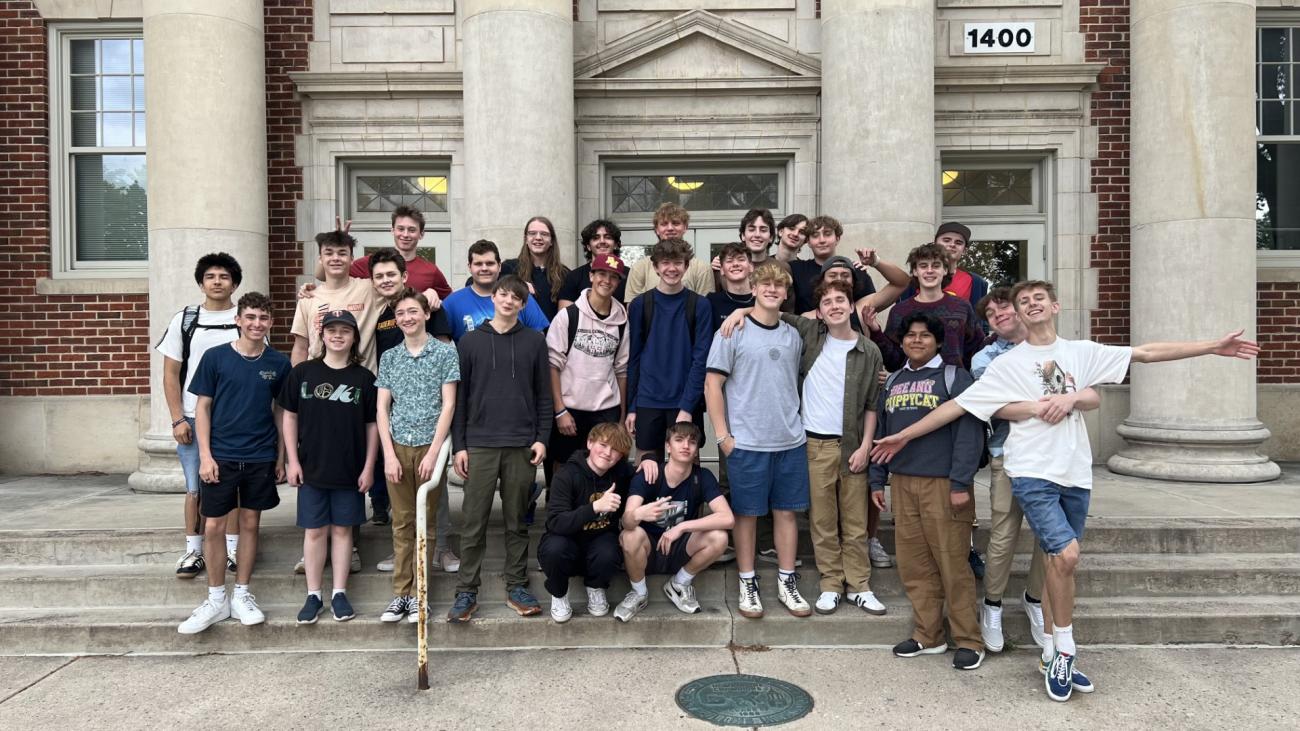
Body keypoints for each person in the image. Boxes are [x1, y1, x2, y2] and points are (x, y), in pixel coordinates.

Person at [871, 280, 1262, 700]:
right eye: (1024, 301)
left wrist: (1211, 347)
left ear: (1055, 306)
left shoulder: (1081, 353)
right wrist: (904, 435)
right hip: (1030, 471)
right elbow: (955, 407)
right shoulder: (1006, 364)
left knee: (1061, 564)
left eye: (1038, 298)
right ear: (1018, 314)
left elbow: (1146, 353)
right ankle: (1065, 651)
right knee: (1066, 554)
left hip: (1075, 473)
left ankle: (1052, 649)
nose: (1031, 304)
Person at [970, 286, 1095, 652]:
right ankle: (992, 604)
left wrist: (1068, 398)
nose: (999, 315)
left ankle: (1035, 598)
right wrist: (1046, 404)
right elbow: (998, 405)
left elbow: (1076, 396)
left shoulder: (1054, 354)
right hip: (1008, 455)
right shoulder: (985, 359)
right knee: (1004, 532)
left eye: (1003, 308)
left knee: (1053, 540)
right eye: (991, 314)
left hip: (1056, 458)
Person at [868, 311, 985, 670]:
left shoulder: (954, 378)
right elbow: (883, 432)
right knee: (915, 564)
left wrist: (961, 482)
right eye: (910, 335)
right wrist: (877, 479)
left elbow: (969, 433)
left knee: (952, 562)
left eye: (924, 335)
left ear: (938, 342)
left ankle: (969, 639)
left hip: (944, 484)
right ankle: (928, 635)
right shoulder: (894, 381)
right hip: (903, 482)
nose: (916, 340)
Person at [177, 292, 291, 634]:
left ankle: (241, 594)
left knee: (250, 524)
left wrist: (281, 456)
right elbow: (202, 408)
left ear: (271, 323)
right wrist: (206, 456)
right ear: (238, 320)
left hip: (260, 455)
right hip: (221, 455)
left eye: (263, 318)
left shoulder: (279, 363)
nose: (257, 323)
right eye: (250, 317)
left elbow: (280, 412)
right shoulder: (216, 357)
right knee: (213, 526)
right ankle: (216, 599)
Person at [705, 261, 811, 619]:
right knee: (746, 516)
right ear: (753, 287)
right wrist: (722, 436)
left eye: (779, 285)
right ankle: (747, 582)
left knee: (787, 514)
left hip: (789, 441)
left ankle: (787, 581)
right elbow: (712, 385)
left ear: (786, 292)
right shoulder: (731, 331)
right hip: (746, 443)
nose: (772, 289)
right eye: (765, 283)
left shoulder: (794, 334)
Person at [449, 275, 553, 622]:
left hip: (521, 444)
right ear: (493, 297)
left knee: (516, 522)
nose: (509, 301)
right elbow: (460, 398)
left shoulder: (534, 342)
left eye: (516, 298)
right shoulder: (469, 342)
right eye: (504, 294)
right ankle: (466, 590)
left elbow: (543, 395)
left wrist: (542, 438)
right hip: (480, 444)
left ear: (523, 305)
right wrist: (459, 445)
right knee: (473, 522)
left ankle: (517, 586)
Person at [280, 310, 377, 624]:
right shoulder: (303, 373)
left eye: (344, 331)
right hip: (311, 468)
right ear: (321, 336)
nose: (337, 336)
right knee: (315, 531)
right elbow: (289, 416)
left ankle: (338, 592)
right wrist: (292, 461)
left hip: (350, 469)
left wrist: (369, 467)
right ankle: (313, 595)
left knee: (343, 530)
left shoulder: (364, 379)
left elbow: (372, 426)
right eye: (331, 330)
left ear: (354, 338)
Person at [368, 249, 459, 575]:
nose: (385, 280)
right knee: (402, 497)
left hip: (430, 417)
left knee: (435, 491)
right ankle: (404, 556)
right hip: (398, 414)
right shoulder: (380, 313)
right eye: (379, 276)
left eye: (391, 274)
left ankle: (442, 548)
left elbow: (444, 363)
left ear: (404, 275)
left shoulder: (429, 306)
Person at [157, 253, 243, 580]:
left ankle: (232, 549)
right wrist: (177, 418)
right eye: (210, 276)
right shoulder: (186, 319)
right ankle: (194, 549)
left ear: (234, 283)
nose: (217, 282)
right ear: (201, 283)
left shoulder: (245, 318)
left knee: (232, 485)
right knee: (195, 487)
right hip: (193, 416)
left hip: (234, 419)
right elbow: (170, 373)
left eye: (224, 276)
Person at [614, 422, 733, 621]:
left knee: (719, 537)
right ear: (668, 446)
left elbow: (727, 518)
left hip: (681, 548)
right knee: (630, 535)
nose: (686, 446)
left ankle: (680, 583)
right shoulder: (649, 475)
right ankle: (639, 593)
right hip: (648, 550)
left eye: (692, 442)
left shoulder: (702, 477)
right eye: (679, 440)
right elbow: (627, 522)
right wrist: (638, 514)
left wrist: (682, 527)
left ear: (696, 450)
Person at [625, 238, 714, 465]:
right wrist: (632, 407)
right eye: (665, 262)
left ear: (686, 266)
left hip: (684, 400)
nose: (671, 268)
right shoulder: (640, 305)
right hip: (647, 400)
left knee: (688, 468)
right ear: (655, 267)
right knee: (645, 470)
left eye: (677, 262)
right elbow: (633, 359)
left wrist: (687, 407)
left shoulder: (700, 305)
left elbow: (701, 360)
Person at [537, 423, 637, 623]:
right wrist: (595, 507)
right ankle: (559, 593)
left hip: (598, 542)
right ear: (590, 443)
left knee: (610, 550)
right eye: (603, 445)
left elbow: (645, 476)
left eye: (615, 449)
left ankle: (595, 587)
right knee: (554, 549)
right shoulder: (566, 475)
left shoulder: (621, 473)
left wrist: (650, 459)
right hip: (566, 542)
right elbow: (556, 522)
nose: (608, 453)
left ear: (621, 456)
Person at [546, 253, 630, 479]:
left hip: (606, 408)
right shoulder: (568, 316)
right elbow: (552, 365)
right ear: (591, 276)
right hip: (571, 407)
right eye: (602, 274)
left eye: (613, 277)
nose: (607, 280)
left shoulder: (622, 322)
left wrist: (621, 416)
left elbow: (621, 370)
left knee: (605, 467)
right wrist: (560, 410)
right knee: (564, 466)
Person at [866, 242, 984, 371]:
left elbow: (977, 349)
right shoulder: (899, 311)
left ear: (945, 270)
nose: (929, 271)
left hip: (954, 381)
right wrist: (876, 331)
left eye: (936, 266)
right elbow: (893, 362)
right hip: (912, 382)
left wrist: (965, 377)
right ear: (915, 271)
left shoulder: (962, 307)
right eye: (923, 266)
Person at [326, 206, 453, 303]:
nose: (405, 234)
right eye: (400, 229)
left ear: (421, 234)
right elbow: (325, 276)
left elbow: (453, 303)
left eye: (412, 230)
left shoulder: (431, 271)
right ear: (392, 230)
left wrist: (433, 294)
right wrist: (336, 245)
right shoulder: (372, 262)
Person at [443, 239, 550, 342]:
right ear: (469, 267)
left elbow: (539, 339)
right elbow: (441, 344)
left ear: (499, 266)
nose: (484, 268)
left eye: (490, 263)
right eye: (478, 264)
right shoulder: (452, 303)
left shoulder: (520, 296)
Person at [789, 216, 882, 314]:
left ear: (837, 239)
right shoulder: (795, 269)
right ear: (808, 242)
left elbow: (871, 307)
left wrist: (875, 262)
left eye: (827, 234)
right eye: (815, 235)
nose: (822, 240)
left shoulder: (856, 271)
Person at [624, 203, 715, 298]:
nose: (670, 228)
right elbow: (633, 306)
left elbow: (704, 305)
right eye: (664, 224)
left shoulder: (702, 269)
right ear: (657, 229)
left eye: (676, 223)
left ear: (685, 227)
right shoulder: (639, 268)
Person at [899, 222, 990, 313]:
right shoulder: (914, 280)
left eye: (958, 242)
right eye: (946, 240)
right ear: (935, 243)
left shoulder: (976, 283)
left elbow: (979, 318)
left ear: (964, 251)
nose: (952, 245)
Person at [499, 216, 569, 321]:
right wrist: (518, 285)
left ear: (551, 241)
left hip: (552, 330)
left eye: (544, 234)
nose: (538, 237)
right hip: (517, 330)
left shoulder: (564, 274)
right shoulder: (509, 268)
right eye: (532, 233)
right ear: (526, 239)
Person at [557, 219, 627, 307]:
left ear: (616, 244)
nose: (602, 241)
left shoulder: (629, 275)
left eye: (608, 237)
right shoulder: (573, 277)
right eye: (596, 238)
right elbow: (565, 313)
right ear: (588, 246)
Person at [705, 243, 754, 331]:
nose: (735, 264)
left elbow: (777, 315)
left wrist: (744, 311)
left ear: (751, 267)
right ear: (722, 270)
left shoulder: (763, 299)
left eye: (741, 259)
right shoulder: (711, 301)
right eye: (729, 261)